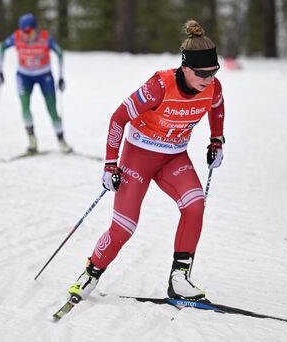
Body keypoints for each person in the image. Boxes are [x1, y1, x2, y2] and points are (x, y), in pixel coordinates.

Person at [66, 20, 225, 301]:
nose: (208, 79)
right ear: (185, 68)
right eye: (202, 73)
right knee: (124, 227)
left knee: (195, 204)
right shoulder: (158, 86)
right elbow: (118, 119)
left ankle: (179, 278)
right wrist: (110, 164)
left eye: (213, 72)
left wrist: (216, 140)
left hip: (174, 157)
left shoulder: (213, 87)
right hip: (139, 157)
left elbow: (216, 106)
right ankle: (91, 273)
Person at [0, 13, 72, 154]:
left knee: (52, 109)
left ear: (35, 29)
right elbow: (2, 48)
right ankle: (32, 141)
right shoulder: (16, 37)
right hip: (24, 76)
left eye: (29, 31)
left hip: (44, 75)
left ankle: (61, 140)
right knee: (25, 105)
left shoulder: (45, 38)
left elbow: (60, 53)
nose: (26, 35)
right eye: (23, 32)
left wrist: (61, 77)